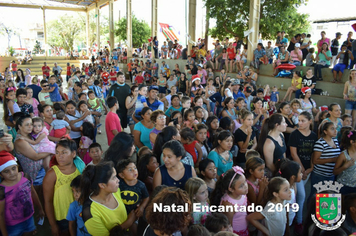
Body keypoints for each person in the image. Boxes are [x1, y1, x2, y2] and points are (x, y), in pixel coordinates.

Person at [80, 162, 136, 235]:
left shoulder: (115, 191)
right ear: (102, 185)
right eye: (114, 177)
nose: (118, 180)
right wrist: (129, 222)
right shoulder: (90, 212)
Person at [0, 151, 45, 236]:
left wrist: (40, 208)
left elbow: (33, 193)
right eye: (6, 171)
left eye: (13, 168)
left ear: (17, 167)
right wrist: (4, 233)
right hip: (13, 225)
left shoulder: (25, 177)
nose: (12, 173)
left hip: (29, 218)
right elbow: (1, 214)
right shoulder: (2, 189)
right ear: (1, 175)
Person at [43, 140, 81, 236]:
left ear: (73, 154)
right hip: (62, 218)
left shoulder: (80, 169)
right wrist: (53, 225)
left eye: (64, 152)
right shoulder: (52, 174)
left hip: (79, 214)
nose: (60, 156)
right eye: (57, 152)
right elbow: (47, 201)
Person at [288, 111, 317, 232]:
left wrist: (310, 168)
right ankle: (299, 221)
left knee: (297, 195)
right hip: (297, 170)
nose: (299, 123)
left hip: (307, 170)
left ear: (310, 121)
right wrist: (302, 170)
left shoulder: (314, 136)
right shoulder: (294, 134)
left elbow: (314, 153)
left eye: (302, 120)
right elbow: (294, 154)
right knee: (302, 195)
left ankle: (293, 215)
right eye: (298, 120)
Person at [210, 166, 249, 235]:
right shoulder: (228, 204)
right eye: (241, 186)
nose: (246, 186)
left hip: (244, 228)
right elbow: (228, 226)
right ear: (231, 189)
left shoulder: (242, 193)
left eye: (245, 181)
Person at [117, 159, 149, 235]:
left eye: (135, 168)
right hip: (121, 214)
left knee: (134, 230)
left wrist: (141, 207)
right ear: (122, 175)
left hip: (134, 213)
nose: (134, 171)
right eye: (130, 170)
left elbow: (146, 197)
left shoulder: (141, 185)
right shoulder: (119, 185)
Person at [310, 122, 340, 197]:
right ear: (325, 131)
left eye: (335, 128)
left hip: (331, 175)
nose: (335, 131)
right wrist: (332, 159)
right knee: (315, 196)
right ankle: (311, 209)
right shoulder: (320, 143)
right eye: (332, 129)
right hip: (320, 175)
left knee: (327, 197)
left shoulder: (335, 141)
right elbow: (315, 160)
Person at [278, 160, 302, 226]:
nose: (301, 175)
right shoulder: (287, 194)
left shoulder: (292, 186)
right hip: (285, 222)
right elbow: (286, 213)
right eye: (300, 173)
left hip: (291, 216)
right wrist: (287, 228)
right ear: (293, 177)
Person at [334, 130, 356, 194]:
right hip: (343, 186)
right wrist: (344, 166)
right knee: (341, 203)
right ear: (352, 142)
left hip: (355, 187)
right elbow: (335, 172)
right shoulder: (343, 155)